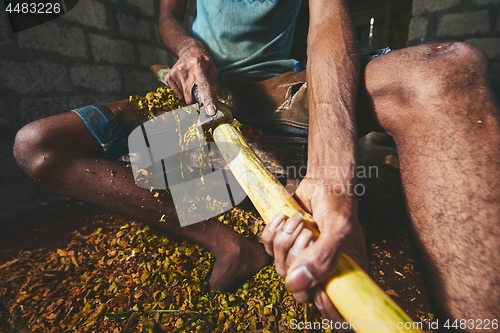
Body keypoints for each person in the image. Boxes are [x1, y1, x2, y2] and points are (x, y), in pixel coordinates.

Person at [13, 0, 500, 330]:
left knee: (443, 72)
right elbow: (169, 19)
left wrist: (331, 179)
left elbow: (328, 19)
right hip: (195, 92)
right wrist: (189, 50)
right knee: (37, 145)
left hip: (279, 88)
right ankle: (231, 245)